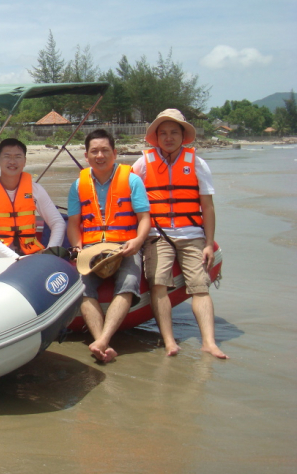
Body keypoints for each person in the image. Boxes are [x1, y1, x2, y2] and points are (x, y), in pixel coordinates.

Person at [132, 109, 227, 359]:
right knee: (158, 283)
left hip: (191, 234)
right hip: (157, 233)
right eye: (163, 133)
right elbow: (129, 195)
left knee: (200, 286)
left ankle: (209, 342)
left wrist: (208, 243)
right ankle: (169, 341)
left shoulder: (197, 162)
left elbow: (207, 206)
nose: (169, 137)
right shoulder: (143, 162)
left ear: (183, 135)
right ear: (157, 137)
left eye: (174, 132)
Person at [67, 129, 150, 362]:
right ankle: (102, 342)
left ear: (115, 153)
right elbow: (74, 224)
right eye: (94, 151)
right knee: (81, 286)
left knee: (129, 282)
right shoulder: (78, 185)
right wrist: (77, 247)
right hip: (92, 248)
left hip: (125, 245)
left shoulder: (132, 180)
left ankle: (102, 341)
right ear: (86, 156)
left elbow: (144, 218)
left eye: (105, 150)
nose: (100, 155)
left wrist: (137, 241)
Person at [0, 138, 66, 258]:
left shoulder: (35, 189)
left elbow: (57, 222)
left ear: (24, 161)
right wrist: (14, 258)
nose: (12, 161)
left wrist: (50, 252)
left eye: (17, 157)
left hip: (29, 251)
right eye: (7, 156)